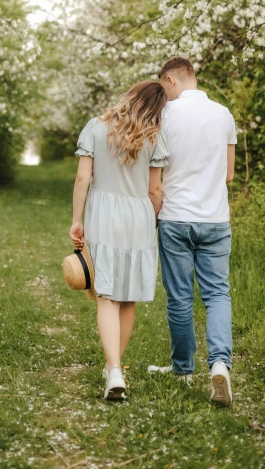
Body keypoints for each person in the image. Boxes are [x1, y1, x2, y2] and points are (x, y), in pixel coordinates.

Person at [69, 81, 168, 401]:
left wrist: (77, 220)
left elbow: (83, 178)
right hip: (139, 215)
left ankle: (113, 370)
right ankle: (115, 367)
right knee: (127, 298)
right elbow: (155, 191)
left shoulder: (95, 128)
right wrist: (153, 221)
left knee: (106, 295)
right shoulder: (154, 136)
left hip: (104, 215)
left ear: (130, 97)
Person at [154, 56, 237, 407]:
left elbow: (155, 176)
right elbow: (229, 175)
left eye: (163, 88)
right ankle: (219, 364)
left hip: (175, 217)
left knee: (180, 297)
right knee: (217, 294)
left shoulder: (165, 116)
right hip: (216, 218)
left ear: (171, 80)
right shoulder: (223, 114)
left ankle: (184, 370)